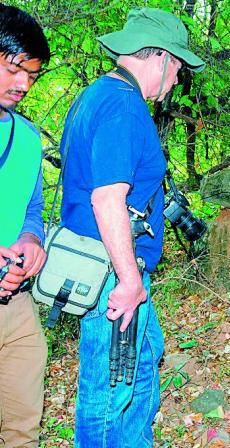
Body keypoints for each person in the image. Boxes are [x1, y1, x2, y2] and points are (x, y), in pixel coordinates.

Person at [58, 8, 204, 446]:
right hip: (111, 272)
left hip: (107, 264)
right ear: (158, 56)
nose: (178, 79)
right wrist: (127, 280)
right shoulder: (123, 107)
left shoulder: (97, 95)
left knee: (144, 360)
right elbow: (107, 199)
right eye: (177, 66)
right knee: (108, 390)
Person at [0, 5, 50, 447]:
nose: (23, 85)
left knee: (21, 431)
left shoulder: (28, 137)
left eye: (32, 76)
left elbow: (32, 207)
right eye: (15, 69)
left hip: (13, 303)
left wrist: (32, 241)